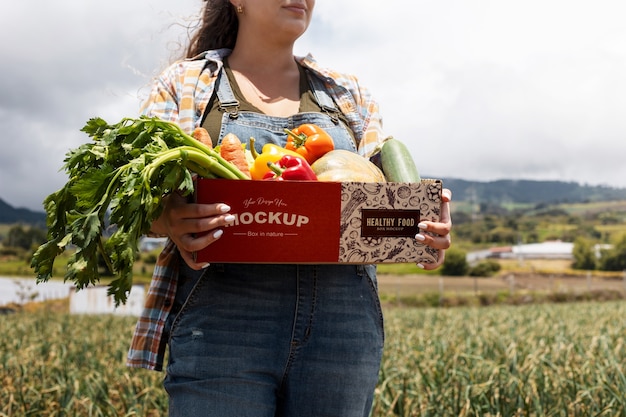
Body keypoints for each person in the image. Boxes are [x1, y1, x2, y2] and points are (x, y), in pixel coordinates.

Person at [127, 0, 452, 416]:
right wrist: (169, 216)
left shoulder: (347, 93)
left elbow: (385, 209)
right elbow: (137, 199)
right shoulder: (185, 84)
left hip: (341, 326)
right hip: (223, 326)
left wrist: (424, 229)